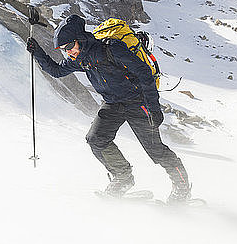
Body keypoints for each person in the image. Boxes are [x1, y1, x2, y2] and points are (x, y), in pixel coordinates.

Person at [26, 14, 191, 202]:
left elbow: (144, 72)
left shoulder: (111, 49)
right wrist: (36, 51)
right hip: (112, 104)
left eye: (69, 46)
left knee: (155, 150)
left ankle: (182, 187)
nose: (68, 52)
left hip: (137, 102)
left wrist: (154, 108)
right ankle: (123, 177)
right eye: (64, 49)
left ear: (79, 39)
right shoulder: (80, 59)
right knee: (95, 139)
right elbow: (56, 70)